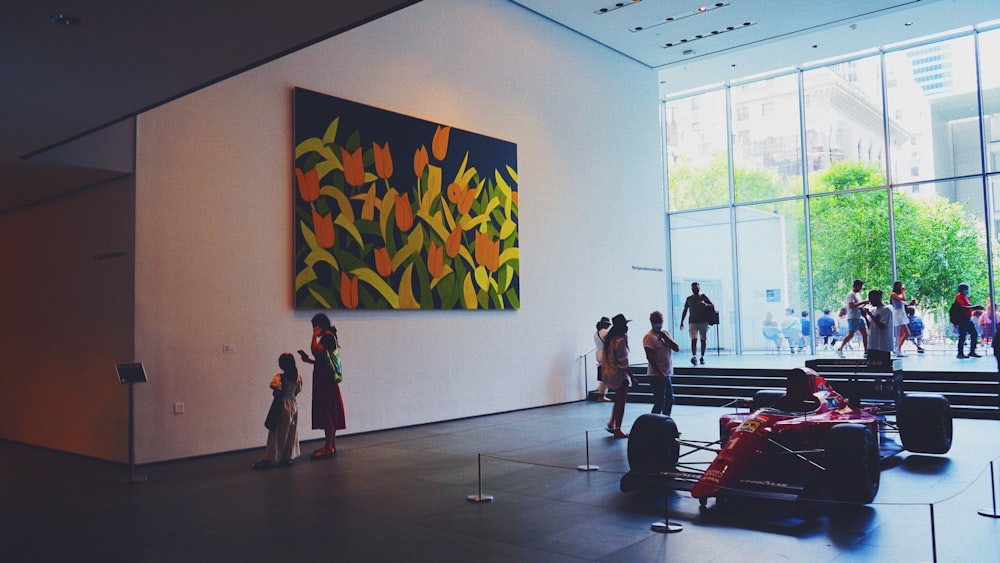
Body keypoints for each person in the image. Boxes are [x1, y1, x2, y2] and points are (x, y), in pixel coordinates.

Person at [298, 313, 346, 458]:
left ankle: (329, 447)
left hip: (326, 380)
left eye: (315, 327)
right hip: (325, 378)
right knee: (329, 410)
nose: (314, 329)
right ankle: (329, 445)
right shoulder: (330, 337)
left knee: (327, 411)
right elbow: (323, 359)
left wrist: (313, 336)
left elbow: (316, 349)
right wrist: (309, 361)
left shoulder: (327, 337)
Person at [252, 353, 303, 469]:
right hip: (293, 404)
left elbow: (276, 391)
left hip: (282, 405)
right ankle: (288, 456)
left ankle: (270, 458)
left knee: (276, 432)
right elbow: (297, 391)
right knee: (291, 431)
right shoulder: (298, 377)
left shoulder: (280, 377)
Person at [601, 314, 638, 438]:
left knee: (618, 400)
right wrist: (632, 378)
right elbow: (623, 362)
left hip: (610, 373)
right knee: (621, 402)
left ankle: (612, 422)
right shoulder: (620, 340)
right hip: (619, 375)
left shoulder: (609, 339)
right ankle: (618, 429)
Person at [643, 311, 680, 416]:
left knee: (670, 400)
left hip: (666, 373)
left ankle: (665, 423)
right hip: (655, 374)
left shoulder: (665, 333)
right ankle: (653, 424)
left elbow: (676, 348)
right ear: (651, 322)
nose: (658, 324)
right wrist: (660, 372)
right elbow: (649, 357)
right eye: (656, 322)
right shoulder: (649, 337)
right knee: (659, 402)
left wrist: (667, 339)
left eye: (660, 321)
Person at [680, 282, 715, 365]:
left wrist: (705, 304)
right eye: (694, 288)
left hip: (703, 321)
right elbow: (685, 310)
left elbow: (712, 305)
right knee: (694, 339)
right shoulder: (689, 299)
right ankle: (694, 356)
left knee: (703, 340)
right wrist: (682, 322)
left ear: (699, 288)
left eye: (697, 288)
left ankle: (702, 356)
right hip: (693, 322)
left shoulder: (703, 297)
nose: (695, 289)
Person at [836, 279, 869, 357]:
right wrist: (863, 302)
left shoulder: (857, 294)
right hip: (853, 317)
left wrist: (863, 305)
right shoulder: (851, 294)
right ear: (856, 286)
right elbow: (851, 305)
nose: (861, 288)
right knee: (851, 334)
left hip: (859, 317)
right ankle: (840, 349)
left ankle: (866, 351)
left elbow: (857, 306)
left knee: (865, 334)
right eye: (860, 287)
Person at [952, 282, 985, 359]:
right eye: (966, 289)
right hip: (962, 318)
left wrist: (975, 307)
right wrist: (975, 307)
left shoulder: (965, 297)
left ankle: (972, 351)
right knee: (962, 336)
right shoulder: (959, 296)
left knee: (974, 333)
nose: (967, 290)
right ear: (962, 289)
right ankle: (960, 353)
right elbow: (963, 307)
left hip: (967, 318)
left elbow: (968, 306)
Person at [860, 289, 893, 365]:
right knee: (871, 369)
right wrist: (865, 316)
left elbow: (882, 326)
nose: (870, 302)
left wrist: (870, 315)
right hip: (872, 345)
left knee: (883, 369)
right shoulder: (873, 311)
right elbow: (870, 326)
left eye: (871, 299)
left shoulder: (887, 310)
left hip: (883, 346)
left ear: (878, 298)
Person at [890, 281, 916, 357]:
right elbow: (903, 298)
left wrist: (911, 303)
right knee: (907, 333)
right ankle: (898, 349)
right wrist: (903, 291)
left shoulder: (898, 295)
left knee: (901, 333)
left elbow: (903, 303)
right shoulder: (893, 294)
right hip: (898, 314)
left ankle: (897, 348)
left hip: (902, 313)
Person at [593, 316, 612, 402]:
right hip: (605, 354)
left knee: (603, 375)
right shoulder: (606, 333)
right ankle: (601, 395)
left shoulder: (596, 333)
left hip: (598, 353)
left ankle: (601, 392)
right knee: (605, 377)